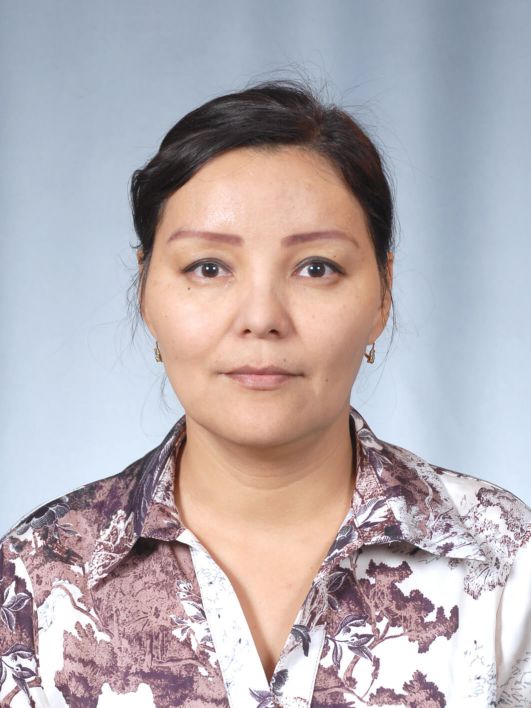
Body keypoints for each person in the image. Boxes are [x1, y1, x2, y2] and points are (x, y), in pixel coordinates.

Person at [0, 80, 529, 708]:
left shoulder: (505, 560)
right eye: (208, 268)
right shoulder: (36, 575)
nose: (261, 318)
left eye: (316, 268)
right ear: (146, 292)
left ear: (382, 294)